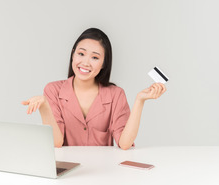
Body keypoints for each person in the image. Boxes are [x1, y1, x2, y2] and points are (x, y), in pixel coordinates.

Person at [22, 28, 166, 150]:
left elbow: (125, 143)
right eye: (81, 54)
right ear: (73, 54)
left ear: (104, 63)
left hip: (103, 172)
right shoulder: (53, 90)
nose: (85, 63)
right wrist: (44, 107)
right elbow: (56, 142)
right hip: (67, 172)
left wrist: (140, 100)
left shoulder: (115, 94)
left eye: (95, 58)